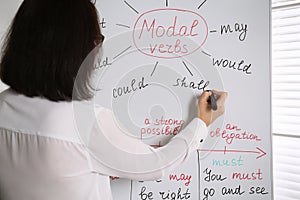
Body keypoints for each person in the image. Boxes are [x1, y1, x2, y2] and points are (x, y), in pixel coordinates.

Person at [0, 0, 228, 199]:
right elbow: (159, 163)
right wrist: (202, 121)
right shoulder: (86, 123)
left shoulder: (2, 105)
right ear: (77, 51)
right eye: (95, 40)